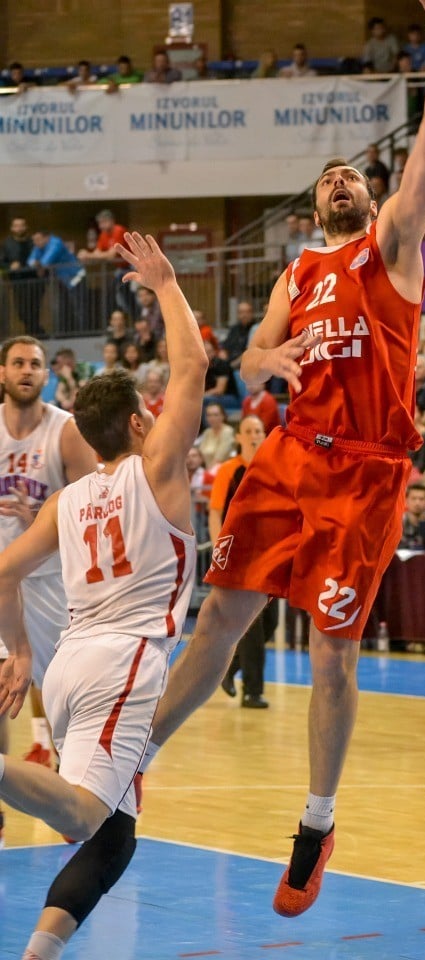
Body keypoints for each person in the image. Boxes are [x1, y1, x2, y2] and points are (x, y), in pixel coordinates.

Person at [134, 0, 425, 921]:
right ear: (314, 206)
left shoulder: (392, 248)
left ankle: (317, 824)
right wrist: (261, 360)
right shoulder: (296, 276)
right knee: (217, 624)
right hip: (288, 461)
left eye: (352, 174)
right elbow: (246, 359)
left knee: (330, 660)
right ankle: (133, 767)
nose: (340, 183)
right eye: (328, 180)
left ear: (370, 196)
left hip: (365, 474)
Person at [0, 232, 207, 959]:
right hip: (124, 660)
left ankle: (39, 951)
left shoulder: (66, 500)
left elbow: (2, 572)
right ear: (141, 424)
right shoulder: (158, 472)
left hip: (66, 669)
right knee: (90, 814)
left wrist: (19, 649)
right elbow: (194, 365)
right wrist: (164, 284)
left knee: (114, 839)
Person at [0, 336, 96, 848]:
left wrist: (36, 519)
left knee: (61, 699)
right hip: (2, 582)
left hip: (53, 583)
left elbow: (91, 509)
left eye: (35, 364)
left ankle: (68, 795)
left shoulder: (66, 432)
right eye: (18, 363)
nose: (27, 371)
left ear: (46, 375)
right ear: (2, 371)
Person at [211, 416, 272, 709]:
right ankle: (253, 691)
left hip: (271, 553)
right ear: (238, 437)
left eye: (258, 431)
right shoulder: (229, 471)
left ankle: (232, 667)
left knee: (269, 622)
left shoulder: (274, 468)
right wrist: (218, 549)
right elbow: (214, 512)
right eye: (247, 431)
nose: (253, 435)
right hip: (239, 555)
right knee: (255, 623)